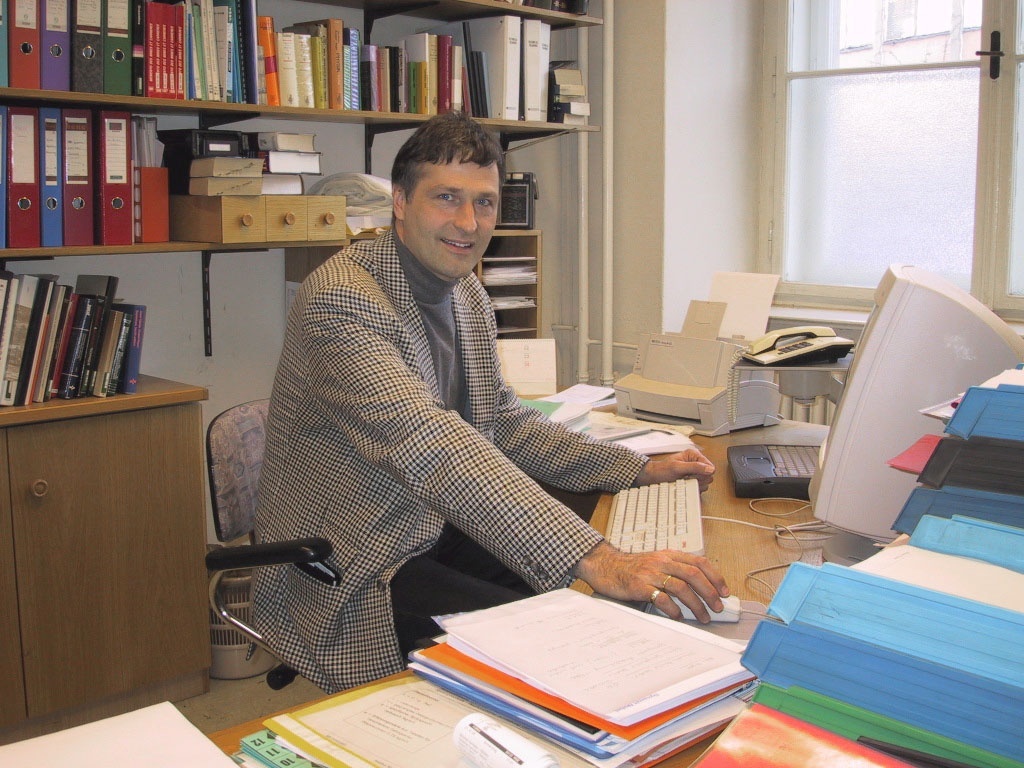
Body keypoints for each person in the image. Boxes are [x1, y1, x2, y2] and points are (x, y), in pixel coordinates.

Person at [253, 111, 731, 694]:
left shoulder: (467, 294)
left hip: (429, 524)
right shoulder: (342, 300)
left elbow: (502, 423)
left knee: (584, 614)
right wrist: (599, 557)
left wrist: (635, 469)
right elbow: (429, 443)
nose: (468, 222)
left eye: (484, 202)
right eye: (446, 198)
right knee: (557, 650)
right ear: (400, 201)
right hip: (357, 554)